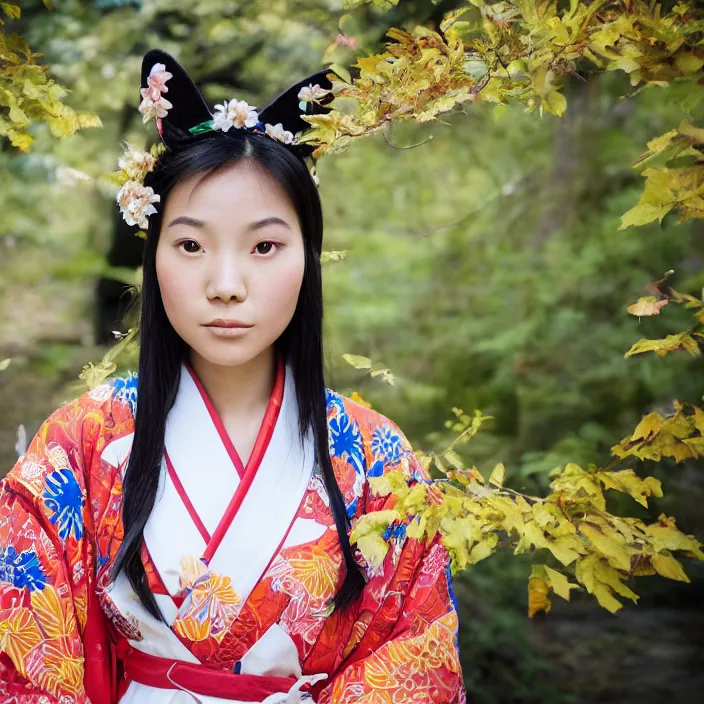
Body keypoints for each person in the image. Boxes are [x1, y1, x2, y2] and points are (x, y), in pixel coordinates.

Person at [0, 49, 465, 704]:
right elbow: (25, 658)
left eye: (265, 246)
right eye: (190, 245)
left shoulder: (376, 457)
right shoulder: (80, 443)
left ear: (309, 258)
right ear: (154, 253)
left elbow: (415, 653)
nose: (225, 286)